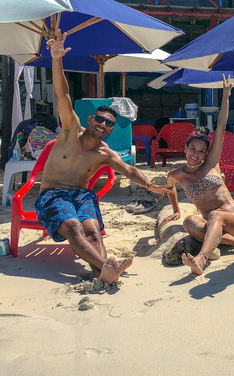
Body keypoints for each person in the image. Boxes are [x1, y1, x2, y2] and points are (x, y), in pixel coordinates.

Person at [36, 31, 172, 284]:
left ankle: (103, 273)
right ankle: (108, 265)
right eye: (98, 119)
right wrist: (57, 59)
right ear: (89, 120)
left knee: (93, 230)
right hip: (52, 194)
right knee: (75, 228)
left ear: (111, 129)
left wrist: (150, 185)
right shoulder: (69, 132)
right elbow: (62, 94)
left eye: (108, 123)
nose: (102, 124)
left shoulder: (104, 153)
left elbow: (129, 171)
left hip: (81, 195)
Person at [163, 76, 234, 276]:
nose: (195, 154)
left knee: (215, 214)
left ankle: (202, 259)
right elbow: (169, 186)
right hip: (213, 228)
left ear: (206, 153)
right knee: (189, 221)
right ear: (185, 148)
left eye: (200, 151)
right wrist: (175, 210)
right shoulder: (177, 174)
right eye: (192, 149)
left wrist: (225, 96)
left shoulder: (212, 163)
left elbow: (221, 126)